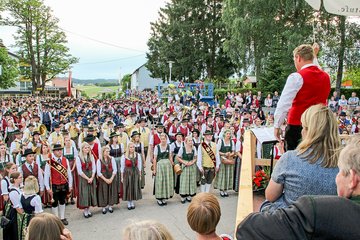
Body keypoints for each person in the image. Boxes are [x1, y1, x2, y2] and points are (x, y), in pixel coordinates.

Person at [236, 135, 360, 240]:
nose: (337, 177)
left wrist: (269, 206)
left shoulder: (318, 210)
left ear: (352, 179)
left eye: (340, 171)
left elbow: (247, 227)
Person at [261, 104, 340, 213]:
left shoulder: (289, 158)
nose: (301, 131)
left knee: (267, 204)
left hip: (292, 221)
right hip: (327, 222)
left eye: (303, 127)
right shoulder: (343, 163)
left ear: (308, 131)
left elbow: (270, 196)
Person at [274, 43, 330, 151]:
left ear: (298, 58)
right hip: (320, 125)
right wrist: (314, 55)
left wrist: (277, 125)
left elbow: (284, 103)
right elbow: (317, 69)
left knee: (294, 160)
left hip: (298, 126)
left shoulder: (297, 77)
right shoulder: (326, 76)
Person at [44, 144, 73, 226]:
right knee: (54, 202)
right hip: (54, 185)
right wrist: (47, 187)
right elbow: (46, 176)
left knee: (63, 201)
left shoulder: (65, 160)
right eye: (58, 150)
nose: (60, 151)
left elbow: (69, 173)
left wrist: (70, 185)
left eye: (60, 150)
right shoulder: (50, 161)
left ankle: (62, 217)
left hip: (64, 184)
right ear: (54, 152)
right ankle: (56, 219)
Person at [75, 142, 97, 218]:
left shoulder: (91, 157)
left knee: (90, 192)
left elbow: (94, 168)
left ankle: (88, 209)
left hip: (91, 176)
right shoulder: (78, 157)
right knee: (85, 193)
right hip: (84, 178)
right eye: (85, 148)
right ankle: (85, 210)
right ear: (82, 149)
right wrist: (87, 178)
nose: (87, 149)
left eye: (88, 148)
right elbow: (79, 171)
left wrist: (92, 177)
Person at [153, 133, 174, 206]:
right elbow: (155, 159)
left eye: (164, 138)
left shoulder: (169, 146)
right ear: (160, 139)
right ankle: (159, 198)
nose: (163, 140)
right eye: (161, 139)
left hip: (167, 167)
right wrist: (154, 169)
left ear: (166, 139)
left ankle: (164, 197)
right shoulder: (157, 147)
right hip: (160, 166)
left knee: (166, 181)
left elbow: (170, 157)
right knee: (160, 181)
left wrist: (172, 164)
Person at [19, 176, 43, 240]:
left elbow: (21, 209)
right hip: (33, 220)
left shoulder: (21, 195)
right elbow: (38, 214)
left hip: (24, 219)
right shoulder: (36, 198)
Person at [121, 142, 142, 210]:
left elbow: (139, 166)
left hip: (135, 172)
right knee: (128, 187)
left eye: (133, 147)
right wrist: (122, 177)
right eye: (130, 147)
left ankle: (132, 201)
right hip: (127, 173)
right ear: (128, 148)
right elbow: (122, 167)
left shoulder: (137, 155)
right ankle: (128, 202)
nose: (132, 148)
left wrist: (140, 174)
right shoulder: (124, 156)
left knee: (133, 186)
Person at [97, 146, 118, 214]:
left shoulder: (112, 159)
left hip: (110, 176)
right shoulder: (99, 160)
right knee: (104, 191)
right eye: (106, 151)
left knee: (111, 191)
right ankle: (104, 207)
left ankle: (110, 206)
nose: (108, 153)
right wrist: (105, 179)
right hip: (103, 178)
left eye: (109, 151)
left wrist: (111, 178)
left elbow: (115, 169)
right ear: (103, 152)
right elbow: (98, 172)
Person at [176, 136, 197, 203]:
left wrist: (192, 162)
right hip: (184, 167)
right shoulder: (182, 148)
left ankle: (189, 195)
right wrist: (184, 162)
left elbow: (195, 157)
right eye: (189, 141)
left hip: (192, 166)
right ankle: (183, 196)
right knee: (184, 181)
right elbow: (178, 157)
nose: (191, 142)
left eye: (191, 140)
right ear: (186, 141)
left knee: (191, 181)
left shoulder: (194, 148)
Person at [214, 130, 235, 197]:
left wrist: (230, 154)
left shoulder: (232, 141)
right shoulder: (221, 141)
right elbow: (217, 151)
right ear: (224, 134)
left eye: (229, 134)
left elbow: (233, 151)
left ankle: (226, 190)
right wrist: (224, 154)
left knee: (228, 174)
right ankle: (221, 190)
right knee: (222, 174)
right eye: (227, 134)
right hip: (222, 159)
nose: (228, 135)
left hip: (229, 159)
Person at [3, 172, 23, 240]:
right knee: (15, 232)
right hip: (15, 215)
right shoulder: (13, 192)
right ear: (15, 180)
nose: (22, 179)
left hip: (19, 212)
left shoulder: (19, 188)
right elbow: (17, 208)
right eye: (20, 178)